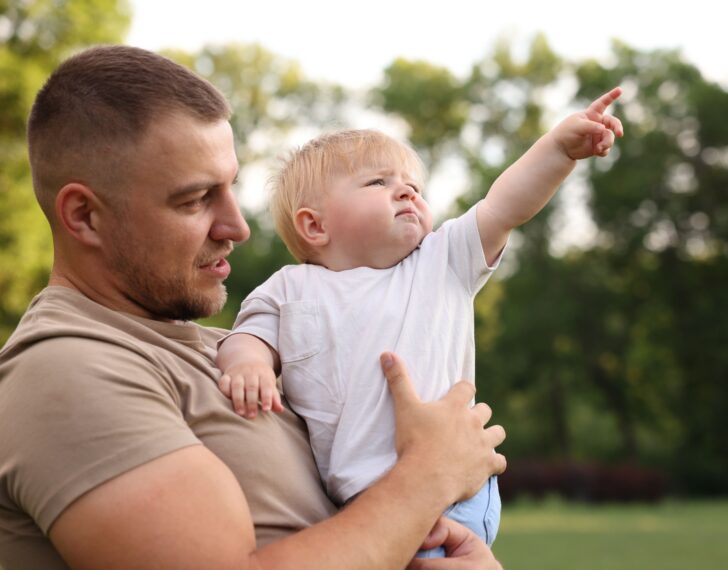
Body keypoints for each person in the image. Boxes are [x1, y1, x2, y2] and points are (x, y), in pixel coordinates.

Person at [0, 44, 507, 570]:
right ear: (84, 216)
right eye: (196, 199)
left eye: (231, 188)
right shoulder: (65, 371)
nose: (237, 227)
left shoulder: (236, 350)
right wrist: (428, 476)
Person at [215, 91, 623, 555]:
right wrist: (248, 365)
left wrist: (558, 150)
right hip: (360, 502)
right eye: (377, 182)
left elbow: (505, 205)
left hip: (453, 492)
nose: (407, 191)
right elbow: (248, 335)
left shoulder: (440, 261)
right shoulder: (289, 288)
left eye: (414, 187)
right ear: (315, 227)